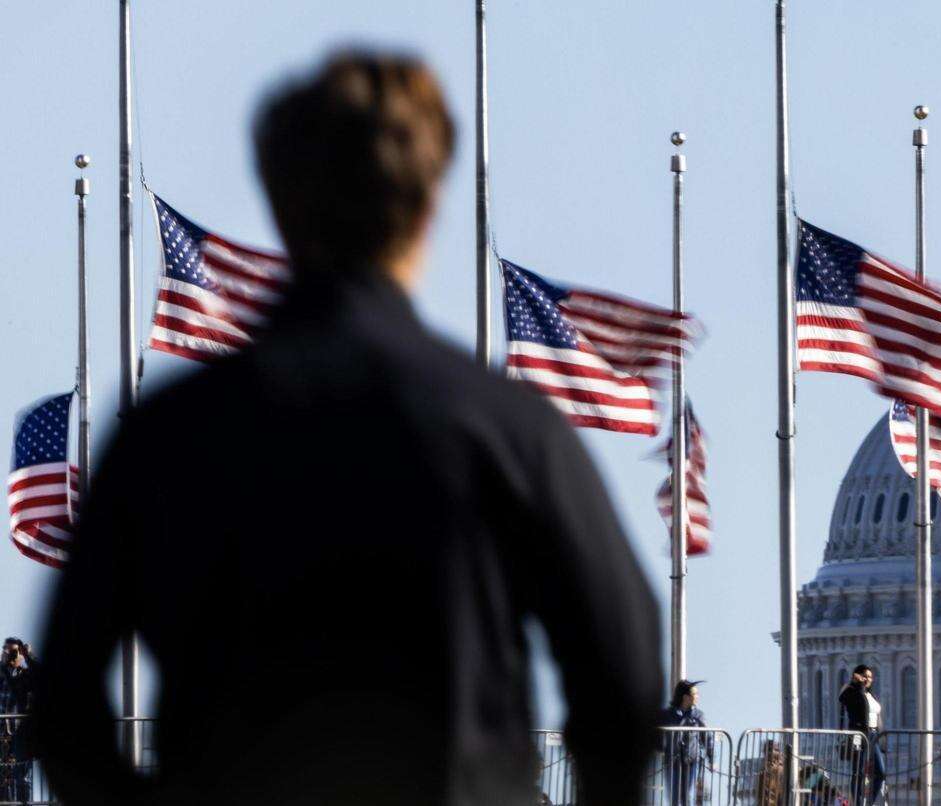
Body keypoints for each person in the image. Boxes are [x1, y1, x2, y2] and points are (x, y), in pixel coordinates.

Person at [33, 51, 662, 806]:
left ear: (279, 202)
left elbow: (64, 703)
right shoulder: (508, 430)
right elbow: (620, 664)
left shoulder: (171, 435)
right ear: (428, 204)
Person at [659, 680, 713, 805]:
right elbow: (656, 734)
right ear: (685, 697)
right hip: (673, 761)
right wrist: (661, 748)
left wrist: (712, 759)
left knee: (687, 796)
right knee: (674, 797)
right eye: (695, 694)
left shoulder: (698, 715)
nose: (697, 697)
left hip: (691, 760)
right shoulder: (668, 715)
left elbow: (707, 737)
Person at [838, 665, 885, 806]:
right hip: (859, 734)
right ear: (857, 676)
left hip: (873, 735)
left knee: (881, 772)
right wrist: (856, 685)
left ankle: (868, 802)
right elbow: (843, 699)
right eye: (865, 676)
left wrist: (882, 738)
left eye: (870, 677)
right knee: (857, 771)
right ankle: (858, 803)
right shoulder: (852, 691)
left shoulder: (870, 695)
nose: (868, 679)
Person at [0, 639, 36, 804]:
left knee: (21, 776)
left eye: (13, 651)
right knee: (3, 774)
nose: (9, 655)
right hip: (1, 732)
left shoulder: (25, 674)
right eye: (5, 650)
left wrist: (28, 655)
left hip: (19, 731)